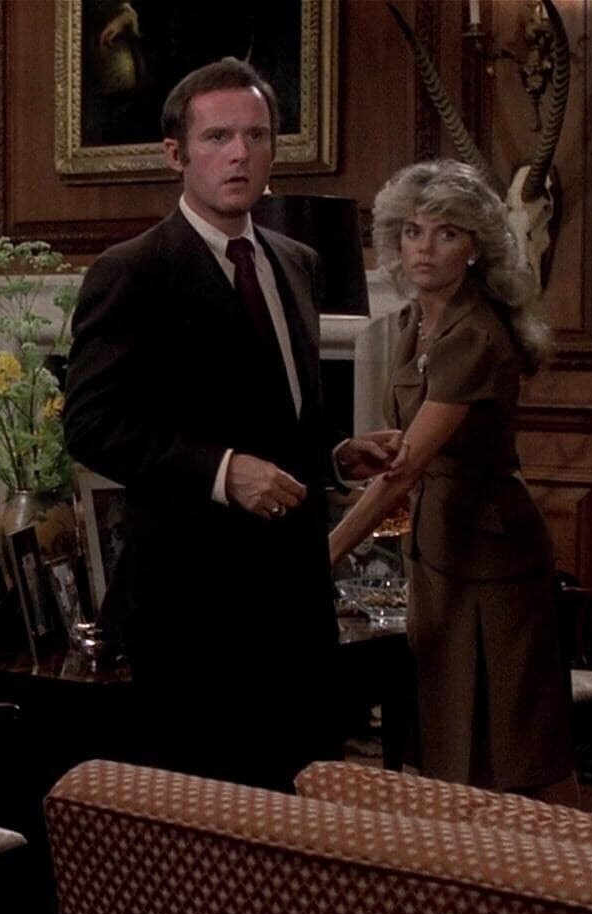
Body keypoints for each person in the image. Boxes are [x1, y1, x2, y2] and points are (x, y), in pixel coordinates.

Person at [62, 58, 396, 791]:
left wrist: (336, 456)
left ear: (274, 149)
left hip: (296, 602)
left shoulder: (297, 262)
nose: (239, 153)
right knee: (209, 821)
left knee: (302, 811)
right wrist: (221, 471)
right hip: (193, 605)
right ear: (175, 154)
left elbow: (280, 417)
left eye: (255, 135)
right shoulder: (132, 270)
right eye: (217, 137)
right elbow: (89, 424)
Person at [328, 160, 572, 792]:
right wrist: (364, 451)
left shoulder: (474, 332)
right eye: (413, 231)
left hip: (490, 556)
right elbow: (408, 447)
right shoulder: (415, 321)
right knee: (444, 733)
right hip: (438, 545)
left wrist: (325, 554)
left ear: (475, 247)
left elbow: (405, 471)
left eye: (446, 234)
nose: (425, 248)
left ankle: (523, 854)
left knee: (504, 749)